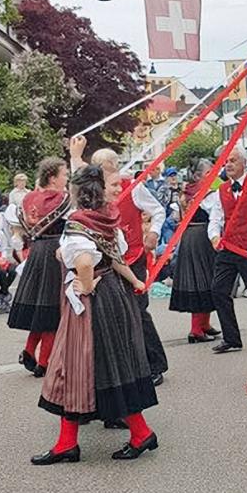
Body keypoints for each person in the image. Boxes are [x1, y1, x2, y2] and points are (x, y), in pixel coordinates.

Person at [32, 165, 159, 465]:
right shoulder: (107, 219)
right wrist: (134, 280)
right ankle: (136, 434)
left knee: (74, 366)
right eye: (111, 185)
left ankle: (73, 443)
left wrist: (85, 285)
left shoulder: (78, 223)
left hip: (92, 303)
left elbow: (87, 261)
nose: (117, 189)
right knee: (109, 365)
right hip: (114, 297)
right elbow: (115, 256)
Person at [74, 141, 169, 387]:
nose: (105, 175)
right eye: (101, 170)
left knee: (138, 310)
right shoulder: (92, 192)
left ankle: (154, 363)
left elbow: (158, 211)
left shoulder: (132, 187)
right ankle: (125, 368)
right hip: (105, 261)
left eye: (108, 169)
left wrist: (154, 232)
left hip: (133, 256)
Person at [8, 157, 71, 376]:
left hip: (36, 251)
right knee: (52, 308)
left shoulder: (28, 198)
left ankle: (29, 350)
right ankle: (44, 362)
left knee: (41, 307)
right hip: (54, 250)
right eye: (64, 174)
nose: (67, 178)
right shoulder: (61, 198)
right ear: (53, 178)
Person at [208, 148, 247, 354]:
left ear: (244, 163)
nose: (228, 164)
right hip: (228, 247)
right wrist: (214, 236)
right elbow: (215, 217)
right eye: (226, 161)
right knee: (218, 289)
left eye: (233, 160)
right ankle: (231, 338)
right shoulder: (221, 189)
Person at [169, 158, 220, 342]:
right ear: (202, 175)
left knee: (200, 278)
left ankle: (203, 324)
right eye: (209, 172)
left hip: (188, 235)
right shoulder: (207, 193)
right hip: (201, 236)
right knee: (204, 279)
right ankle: (196, 329)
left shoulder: (186, 191)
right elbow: (216, 212)